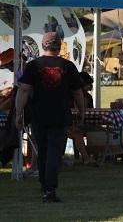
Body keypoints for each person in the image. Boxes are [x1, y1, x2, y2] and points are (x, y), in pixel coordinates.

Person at [15, 32, 84, 203]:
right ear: (59, 46)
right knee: (54, 154)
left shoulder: (33, 66)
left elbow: (23, 90)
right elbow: (77, 92)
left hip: (39, 115)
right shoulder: (68, 66)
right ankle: (49, 189)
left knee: (44, 152)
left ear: (43, 45)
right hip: (60, 115)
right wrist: (82, 110)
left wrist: (18, 112)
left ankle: (45, 186)